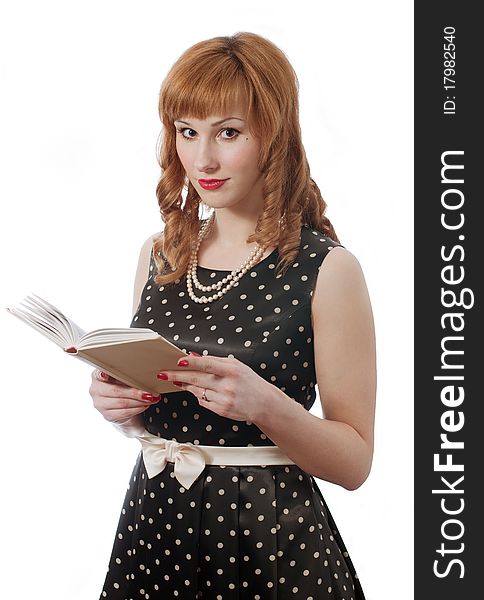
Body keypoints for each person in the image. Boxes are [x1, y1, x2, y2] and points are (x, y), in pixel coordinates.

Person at [90, 31, 376, 600]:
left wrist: (266, 407)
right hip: (155, 523)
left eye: (228, 132)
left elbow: (355, 462)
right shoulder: (161, 253)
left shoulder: (328, 269)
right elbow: (157, 411)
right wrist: (120, 409)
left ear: (273, 135)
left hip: (267, 536)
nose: (203, 159)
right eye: (186, 132)